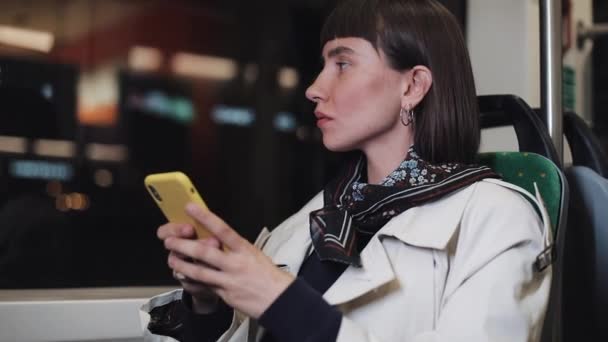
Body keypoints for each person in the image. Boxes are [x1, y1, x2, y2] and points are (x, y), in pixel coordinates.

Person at [141, 0, 552, 341]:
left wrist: (285, 303)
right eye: (324, 65)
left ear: (411, 87)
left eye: (342, 64)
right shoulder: (312, 219)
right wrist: (207, 304)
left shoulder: (497, 219)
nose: (314, 88)